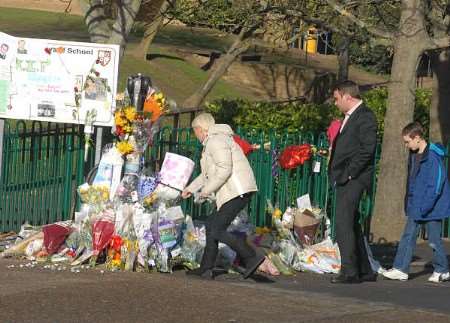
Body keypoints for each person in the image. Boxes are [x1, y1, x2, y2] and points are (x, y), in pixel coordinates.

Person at [181, 113, 265, 279]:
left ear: (202, 129)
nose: (195, 134)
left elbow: (224, 170)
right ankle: (206, 267)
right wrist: (191, 188)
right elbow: (206, 174)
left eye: (195, 130)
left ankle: (250, 256)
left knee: (216, 229)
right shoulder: (214, 141)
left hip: (237, 191)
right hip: (234, 191)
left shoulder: (216, 141)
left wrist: (205, 191)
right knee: (212, 225)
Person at [382, 122, 450, 283]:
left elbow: (436, 184)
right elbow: (413, 181)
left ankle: (442, 269)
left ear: (417, 138)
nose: (406, 145)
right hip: (418, 204)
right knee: (408, 236)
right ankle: (401, 268)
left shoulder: (433, 156)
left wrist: (425, 206)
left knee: (433, 240)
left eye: (407, 141)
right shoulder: (415, 155)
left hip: (431, 207)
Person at [328, 80, 378, 284]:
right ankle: (364, 269)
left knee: (343, 223)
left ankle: (349, 271)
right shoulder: (350, 117)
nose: (335, 103)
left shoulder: (365, 116)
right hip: (346, 176)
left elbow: (368, 148)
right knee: (352, 224)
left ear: (348, 96)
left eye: (337, 98)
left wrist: (349, 173)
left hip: (354, 178)